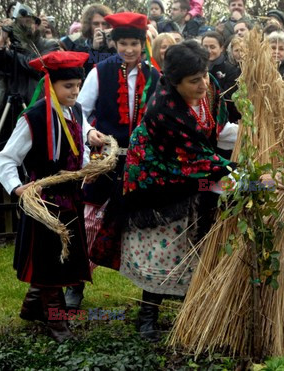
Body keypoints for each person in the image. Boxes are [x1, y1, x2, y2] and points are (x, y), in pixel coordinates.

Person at [121, 40, 238, 341]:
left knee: (192, 239)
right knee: (165, 244)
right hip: (158, 177)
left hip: (192, 172)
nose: (202, 84)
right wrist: (236, 171)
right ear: (174, 82)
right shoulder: (164, 110)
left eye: (204, 74)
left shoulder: (207, 84)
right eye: (193, 80)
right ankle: (147, 315)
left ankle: (192, 310)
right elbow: (195, 157)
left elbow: (214, 126)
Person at [0, 51, 92, 342]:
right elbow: (5, 158)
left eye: (78, 85)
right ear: (51, 85)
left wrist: (90, 155)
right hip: (45, 203)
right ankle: (58, 323)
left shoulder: (75, 111)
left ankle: (31, 308)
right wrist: (17, 187)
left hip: (70, 200)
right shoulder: (34, 117)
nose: (75, 91)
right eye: (68, 86)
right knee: (50, 261)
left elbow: (81, 142)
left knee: (60, 259)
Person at [75, 12, 160, 309]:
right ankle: (75, 284)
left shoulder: (155, 76)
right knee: (90, 221)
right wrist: (90, 132)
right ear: (115, 43)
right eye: (122, 43)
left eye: (134, 44)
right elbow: (80, 111)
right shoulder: (100, 72)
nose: (128, 49)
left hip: (140, 163)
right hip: (106, 159)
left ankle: (150, 295)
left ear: (142, 44)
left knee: (143, 224)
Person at [59, 3, 114, 77]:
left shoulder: (115, 43)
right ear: (89, 25)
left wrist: (112, 48)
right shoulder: (77, 43)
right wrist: (94, 50)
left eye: (104, 24)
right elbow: (82, 72)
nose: (100, 28)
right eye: (96, 24)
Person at [201, 31, 240, 126]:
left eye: (212, 47)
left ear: (221, 48)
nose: (208, 50)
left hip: (223, 120)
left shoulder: (231, 70)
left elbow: (228, 96)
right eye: (205, 47)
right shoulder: (195, 67)